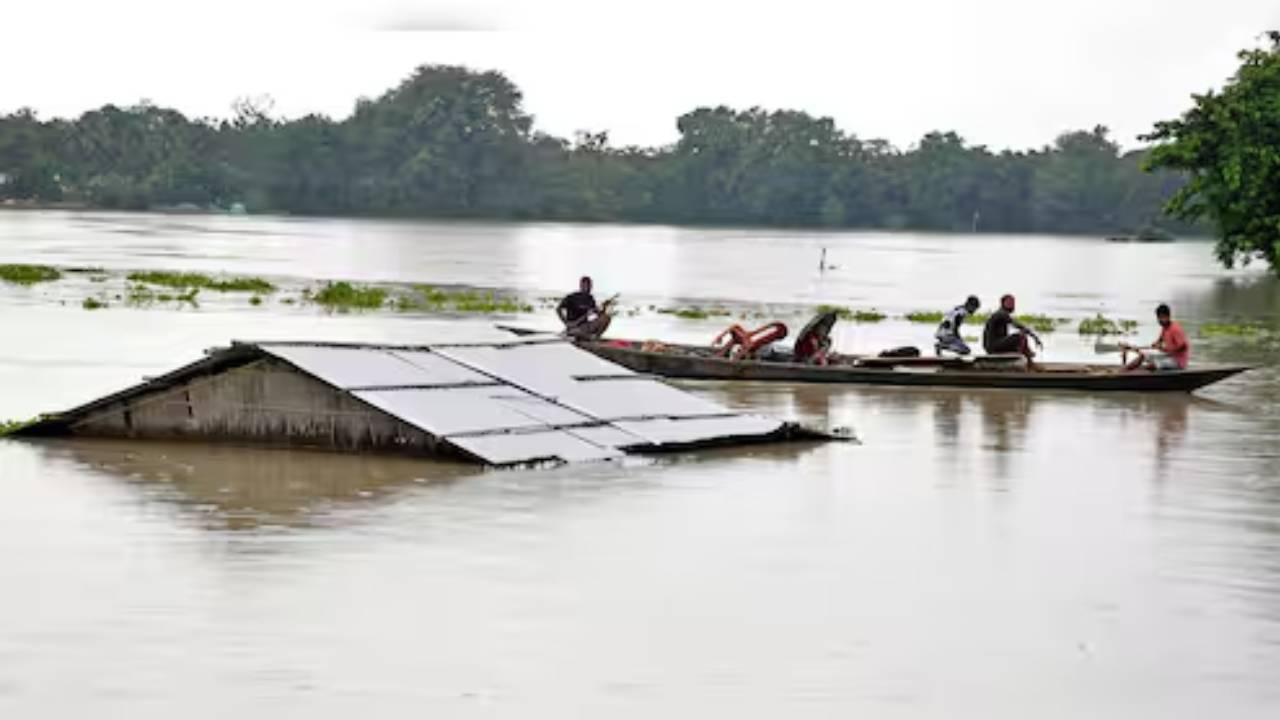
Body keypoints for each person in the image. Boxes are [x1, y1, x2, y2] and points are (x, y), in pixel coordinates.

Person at [1123, 303, 1190, 371]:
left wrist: (1166, 349)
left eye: (1162, 317)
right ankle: (1124, 371)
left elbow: (1183, 346)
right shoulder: (1165, 328)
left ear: (1168, 316)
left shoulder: (1175, 329)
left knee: (1152, 366)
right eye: (1159, 318)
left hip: (1178, 361)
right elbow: (1159, 341)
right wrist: (1155, 344)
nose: (1160, 320)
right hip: (1169, 356)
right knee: (1143, 356)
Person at [982, 294, 1042, 362]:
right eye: (1010, 303)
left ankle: (1025, 359)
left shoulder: (1002, 314)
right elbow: (1018, 326)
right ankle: (1029, 361)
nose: (1013, 305)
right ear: (1003, 303)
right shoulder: (1001, 314)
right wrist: (1035, 337)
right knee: (1020, 336)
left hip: (994, 345)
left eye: (1013, 303)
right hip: (993, 346)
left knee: (1018, 344)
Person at [557, 276, 613, 340]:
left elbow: (598, 313)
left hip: (585, 326)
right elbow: (558, 309)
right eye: (587, 286)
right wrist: (566, 322)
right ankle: (583, 336)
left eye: (590, 286)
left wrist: (604, 307)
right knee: (576, 332)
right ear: (581, 286)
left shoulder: (590, 298)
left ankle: (595, 337)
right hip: (574, 327)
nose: (589, 288)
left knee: (606, 318)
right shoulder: (572, 297)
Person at [712, 322, 788, 361]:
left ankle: (721, 355)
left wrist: (736, 358)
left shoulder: (745, 340)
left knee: (744, 344)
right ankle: (720, 355)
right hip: (759, 347)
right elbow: (734, 328)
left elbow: (748, 346)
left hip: (763, 351)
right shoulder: (739, 338)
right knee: (735, 341)